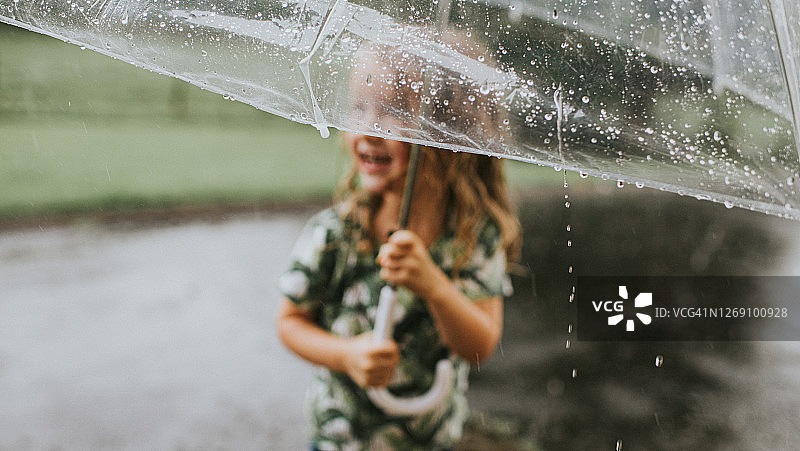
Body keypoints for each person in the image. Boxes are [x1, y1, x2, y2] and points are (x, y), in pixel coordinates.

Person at [276, 39, 521, 450]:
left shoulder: (474, 239)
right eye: (359, 108)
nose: (368, 129)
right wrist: (345, 355)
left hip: (428, 440)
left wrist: (434, 286)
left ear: (447, 131)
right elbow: (290, 322)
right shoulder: (337, 233)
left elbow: (479, 347)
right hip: (339, 439)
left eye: (393, 111)